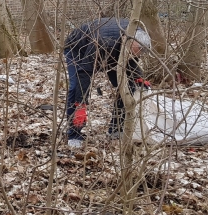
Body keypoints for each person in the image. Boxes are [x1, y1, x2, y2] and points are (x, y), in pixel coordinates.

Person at [64, 17, 151, 149]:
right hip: (78, 48)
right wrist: (81, 103)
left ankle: (116, 129)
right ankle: (74, 134)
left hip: (113, 51)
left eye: (135, 54)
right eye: (131, 52)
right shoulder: (103, 41)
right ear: (126, 41)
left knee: (128, 86)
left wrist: (137, 76)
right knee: (76, 87)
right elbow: (84, 72)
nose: (132, 56)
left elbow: (130, 58)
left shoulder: (138, 34)